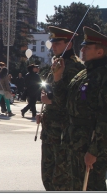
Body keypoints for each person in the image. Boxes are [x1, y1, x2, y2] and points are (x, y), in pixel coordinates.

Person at [51, 26, 107, 191]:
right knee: (75, 186)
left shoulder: (103, 76)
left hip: (90, 145)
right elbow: (63, 102)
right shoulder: (83, 74)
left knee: (91, 187)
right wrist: (57, 76)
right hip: (74, 143)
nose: (81, 49)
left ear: (99, 52)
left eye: (87, 47)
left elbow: (105, 117)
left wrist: (94, 151)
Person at [37, 26, 85, 191]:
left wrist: (50, 101)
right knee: (47, 176)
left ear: (69, 45)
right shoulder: (58, 64)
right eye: (53, 42)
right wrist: (44, 112)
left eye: (58, 42)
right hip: (50, 130)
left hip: (64, 133)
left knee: (61, 180)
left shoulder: (76, 69)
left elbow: (75, 101)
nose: (54, 46)